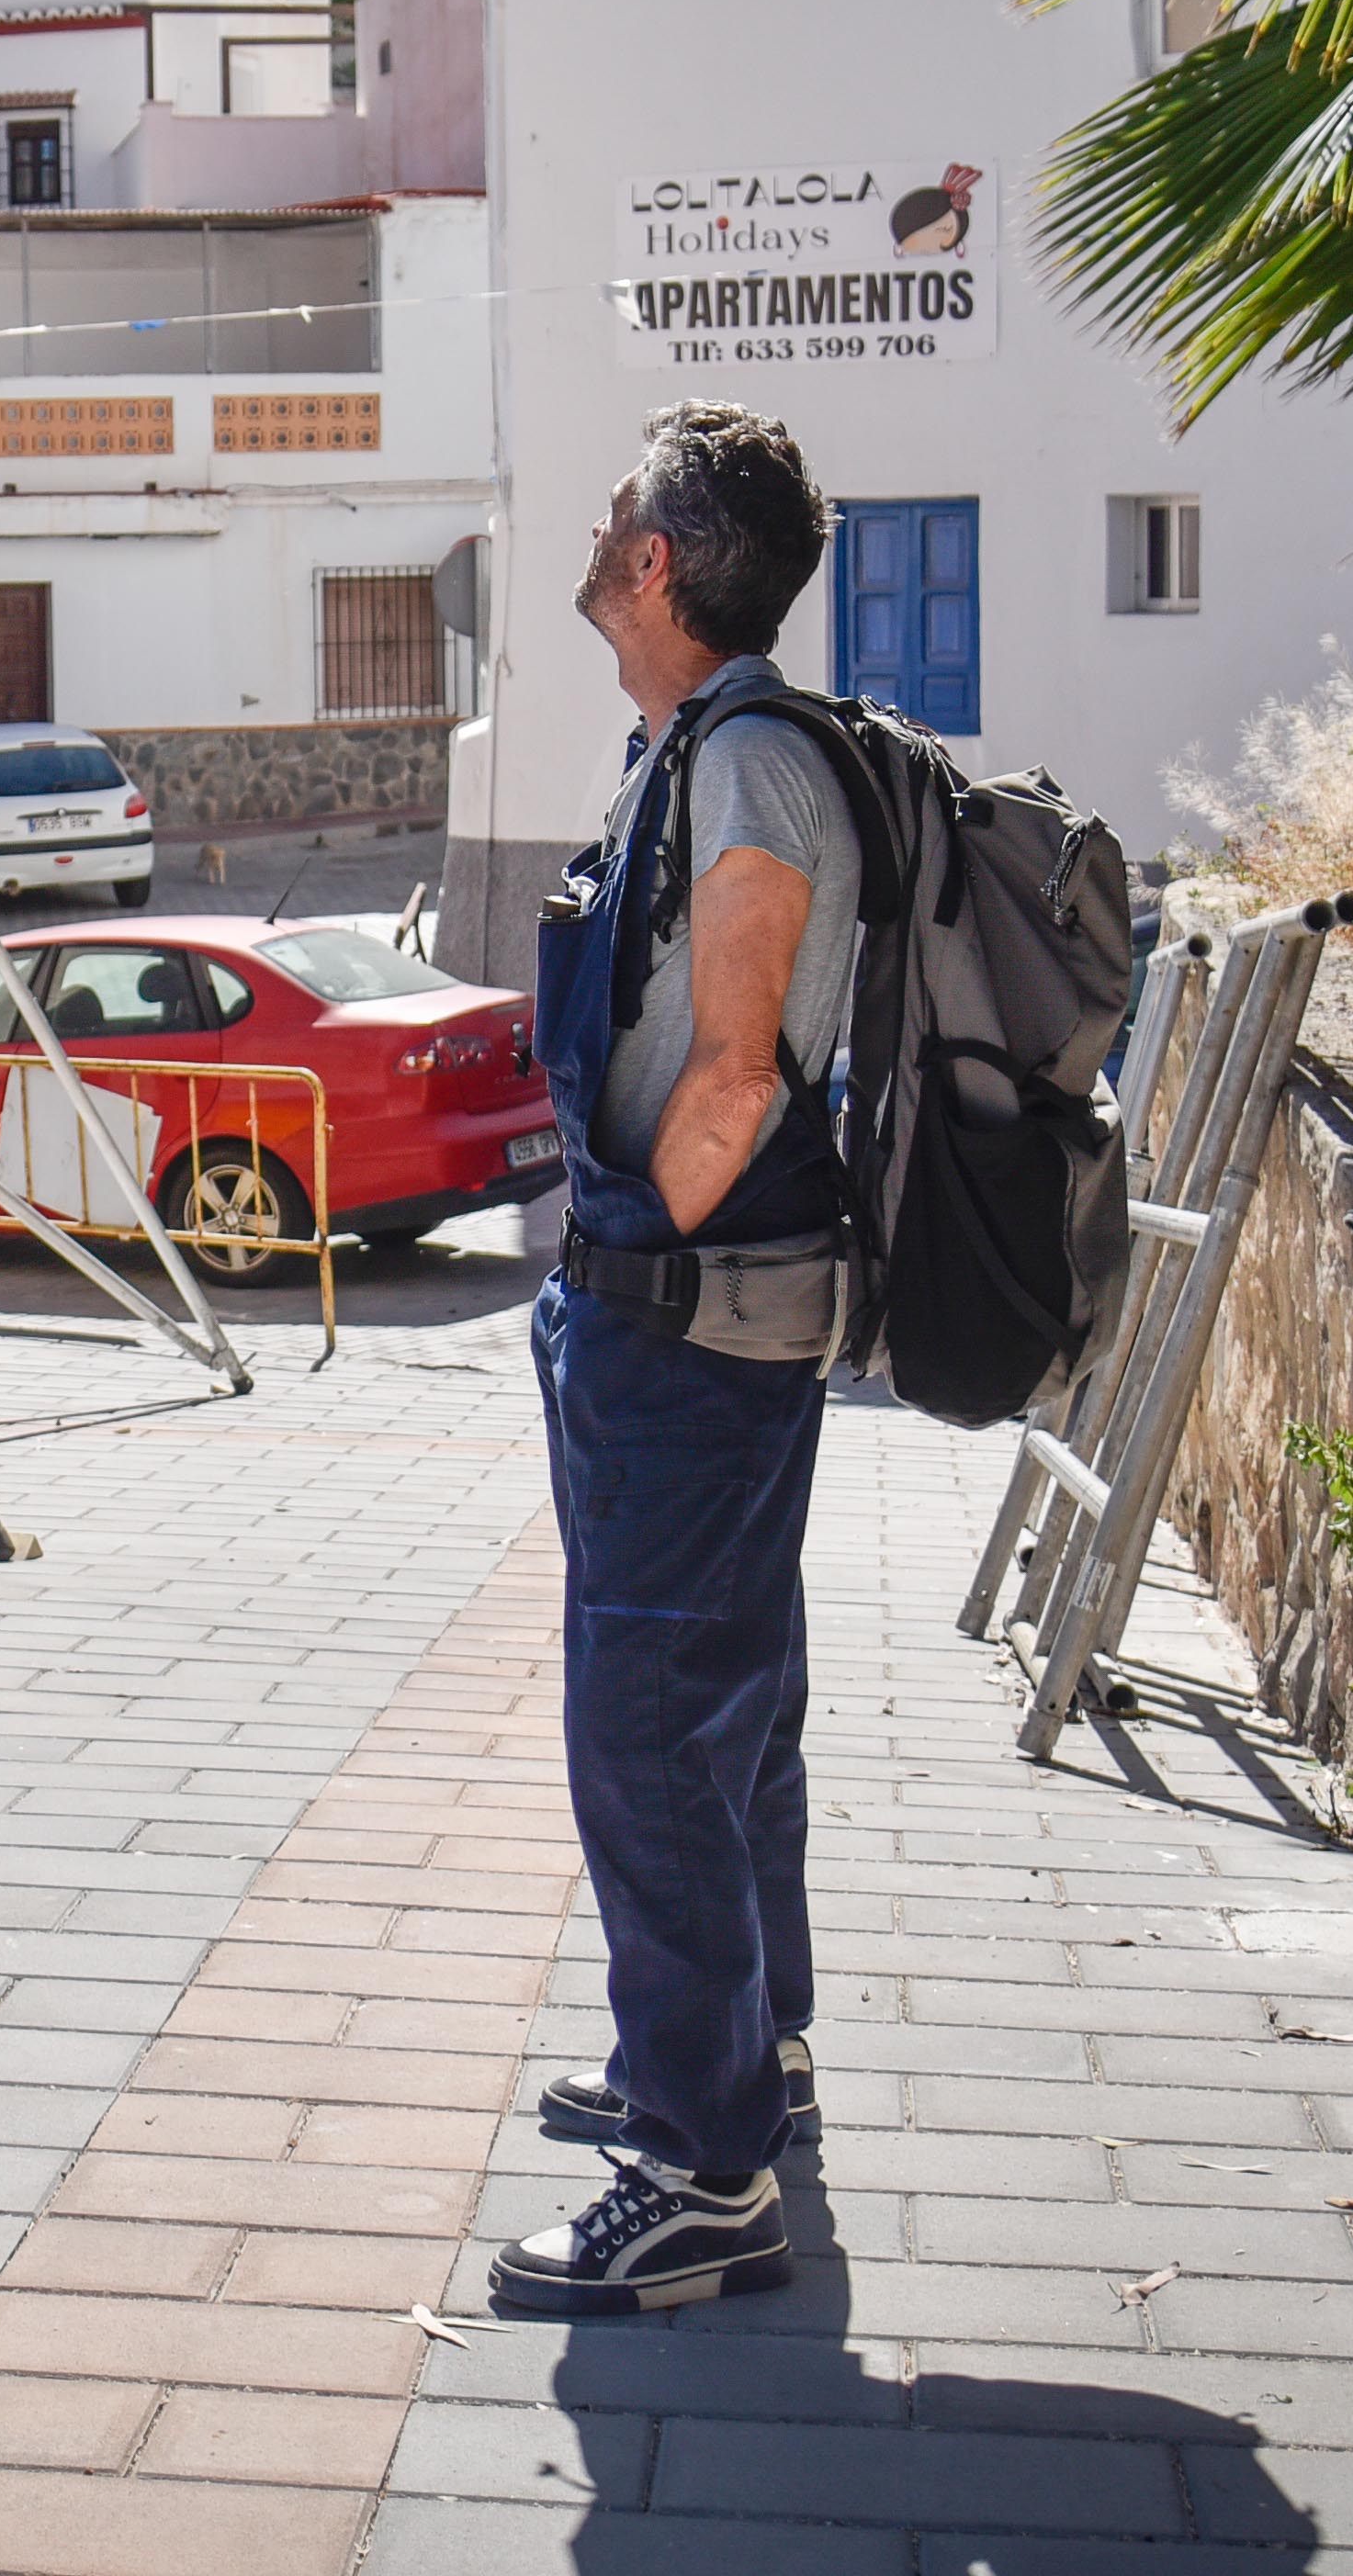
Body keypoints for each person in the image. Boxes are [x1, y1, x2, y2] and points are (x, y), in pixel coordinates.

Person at [484, 401, 863, 2321]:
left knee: (647, 1726)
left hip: (683, 1328)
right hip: (677, 1329)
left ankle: (704, 2174)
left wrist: (628, 1236)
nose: (598, 515)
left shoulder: (745, 773)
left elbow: (733, 1067)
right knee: (727, 1713)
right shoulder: (693, 751)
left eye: (615, 494)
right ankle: (731, 2059)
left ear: (653, 563)